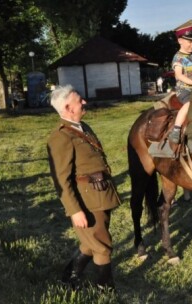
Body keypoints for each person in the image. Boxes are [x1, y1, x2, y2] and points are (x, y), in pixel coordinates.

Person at [47, 85, 121, 292]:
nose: (84, 102)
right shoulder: (61, 137)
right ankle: (105, 290)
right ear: (69, 108)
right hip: (87, 200)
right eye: (80, 101)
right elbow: (61, 179)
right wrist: (75, 210)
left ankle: (68, 278)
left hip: (100, 194)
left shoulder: (82, 127)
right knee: (102, 245)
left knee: (91, 242)